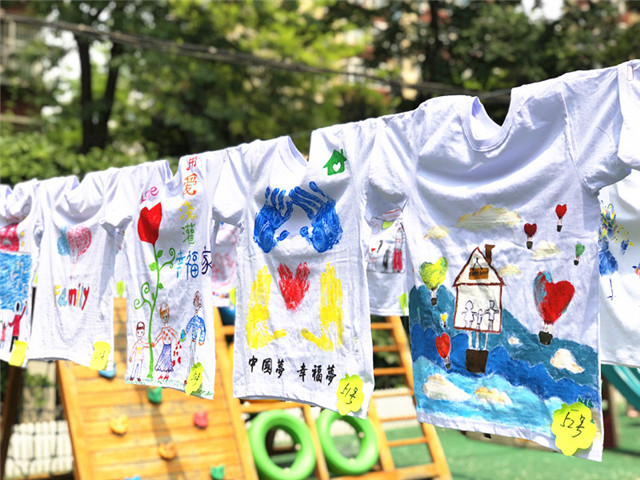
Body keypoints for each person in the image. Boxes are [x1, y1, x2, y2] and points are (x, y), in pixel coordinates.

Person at [152, 302, 178, 381]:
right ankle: (161, 374)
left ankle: (167, 375)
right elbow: (159, 336)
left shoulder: (169, 328)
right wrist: (155, 343)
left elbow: (175, 334)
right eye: (163, 317)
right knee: (162, 358)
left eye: (166, 316)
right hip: (165, 345)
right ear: (161, 317)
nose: (165, 319)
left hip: (169, 345)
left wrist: (177, 340)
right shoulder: (163, 329)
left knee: (167, 359)